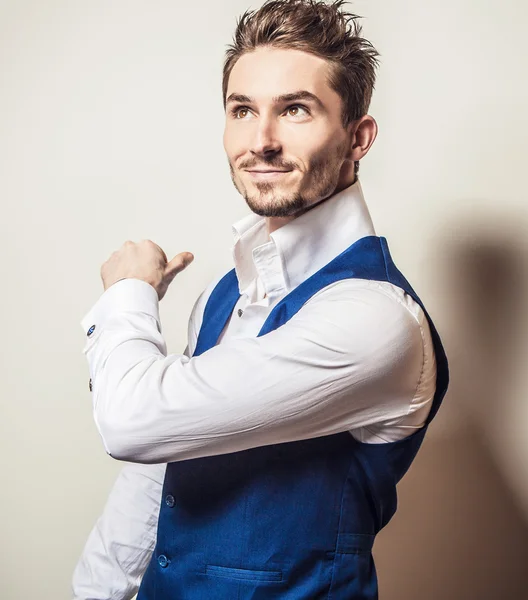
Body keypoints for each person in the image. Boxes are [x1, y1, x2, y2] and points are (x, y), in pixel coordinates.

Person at [73, 0, 449, 598]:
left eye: (296, 109)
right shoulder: (224, 292)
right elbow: (156, 471)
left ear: (359, 136)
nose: (262, 141)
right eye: (242, 110)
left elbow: (130, 422)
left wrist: (129, 293)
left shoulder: (374, 320)